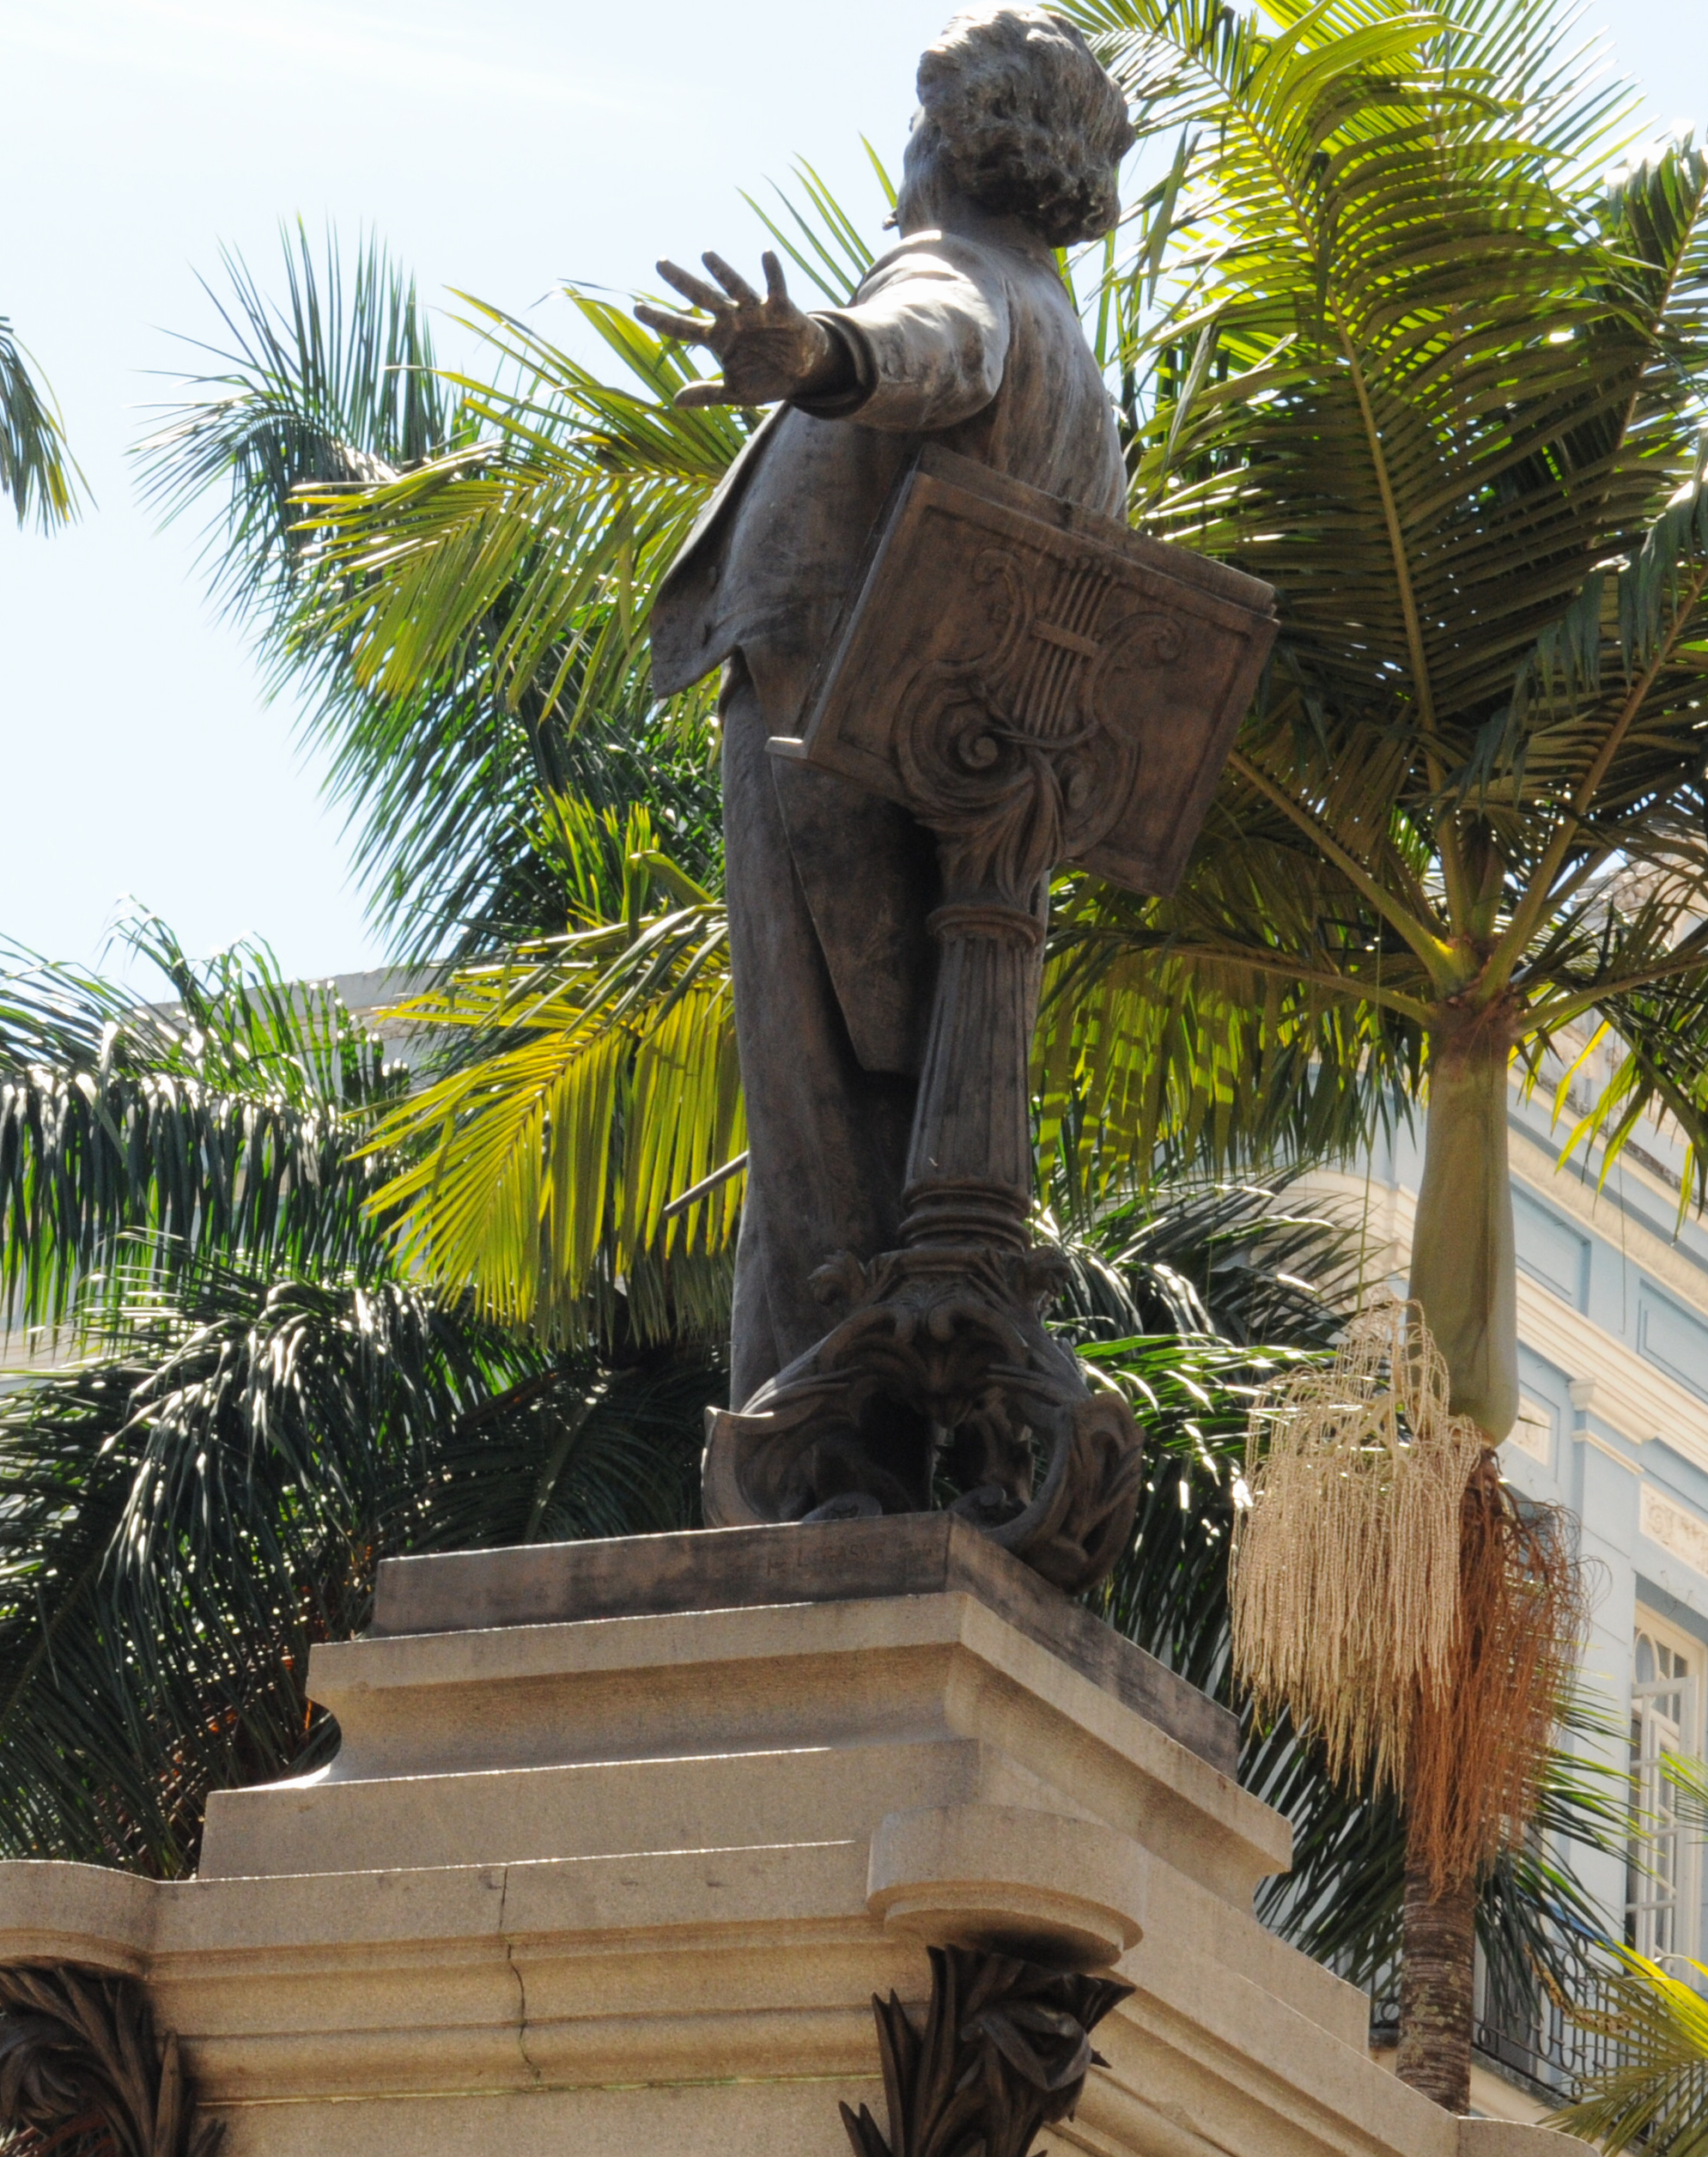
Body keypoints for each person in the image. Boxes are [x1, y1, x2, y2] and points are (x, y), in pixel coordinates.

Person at [635, 4, 1134, 1448]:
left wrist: (818, 354)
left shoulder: (966, 279)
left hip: (826, 750)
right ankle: (815, 1437)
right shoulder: (1072, 353)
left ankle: (813, 1448)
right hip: (940, 791)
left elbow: (928, 345)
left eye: (922, 121)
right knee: (835, 1132)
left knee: (808, 1119)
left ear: (960, 138)